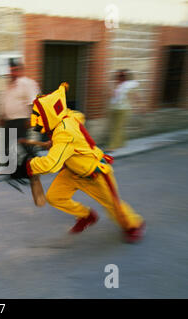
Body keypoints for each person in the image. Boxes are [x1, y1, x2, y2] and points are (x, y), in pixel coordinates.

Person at [15, 82, 145, 243]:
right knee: (55, 197)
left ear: (49, 115)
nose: (35, 120)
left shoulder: (63, 133)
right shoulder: (67, 115)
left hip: (94, 174)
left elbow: (51, 164)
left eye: (39, 116)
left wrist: (28, 166)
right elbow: (77, 120)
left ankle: (134, 225)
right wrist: (54, 143)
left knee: (114, 206)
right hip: (72, 171)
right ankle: (86, 215)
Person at [0, 58, 40, 156]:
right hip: (9, 121)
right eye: (11, 70)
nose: (12, 73)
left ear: (21, 70)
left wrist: (31, 120)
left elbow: (34, 103)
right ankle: (8, 169)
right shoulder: (9, 85)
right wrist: (1, 116)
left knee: (25, 145)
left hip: (21, 121)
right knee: (7, 146)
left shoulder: (28, 84)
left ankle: (36, 164)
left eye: (15, 70)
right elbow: (5, 101)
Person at [106, 69, 141, 151]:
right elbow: (111, 96)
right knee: (116, 127)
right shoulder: (116, 85)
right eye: (118, 75)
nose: (119, 77)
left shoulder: (130, 85)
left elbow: (136, 96)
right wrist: (112, 90)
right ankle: (121, 143)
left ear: (126, 77)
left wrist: (139, 105)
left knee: (117, 128)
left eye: (122, 76)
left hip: (123, 109)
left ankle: (112, 146)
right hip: (113, 108)